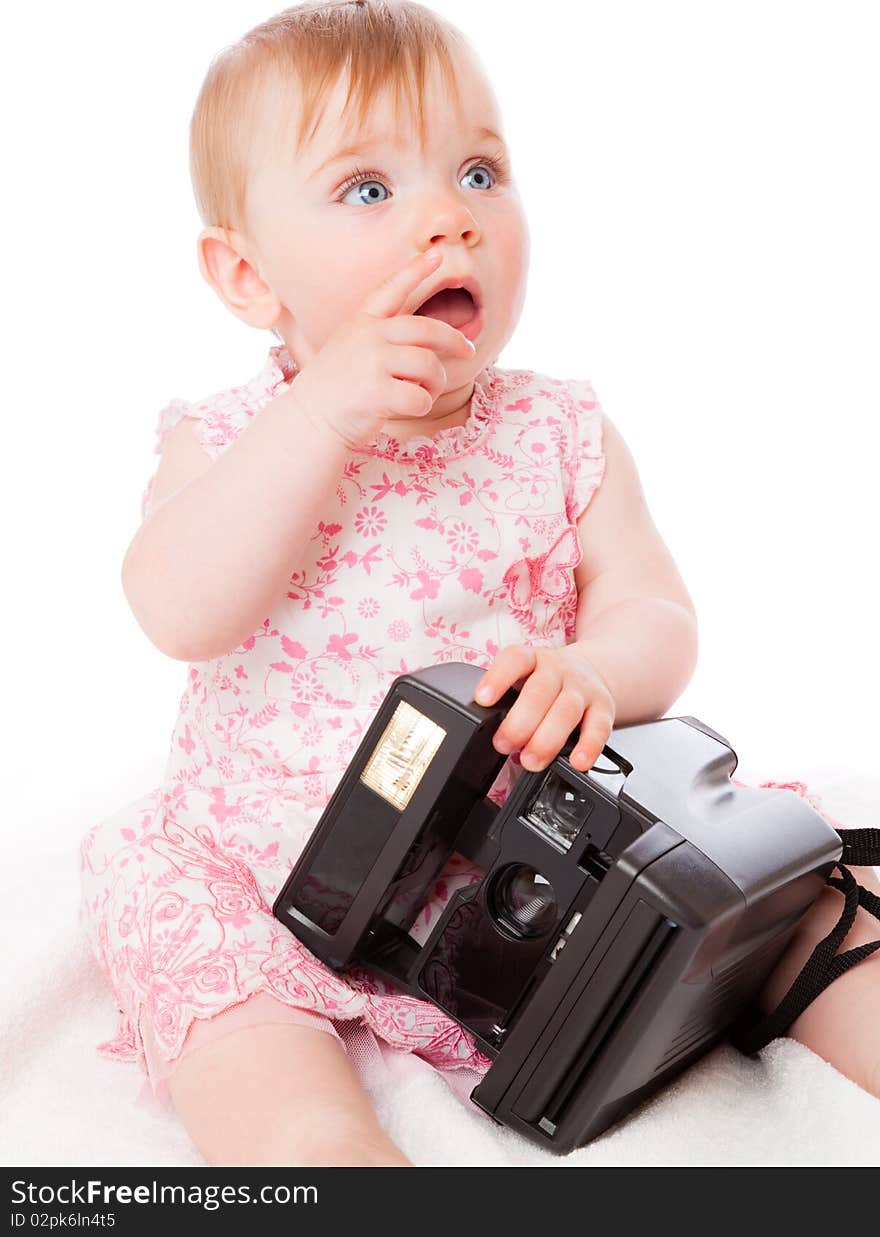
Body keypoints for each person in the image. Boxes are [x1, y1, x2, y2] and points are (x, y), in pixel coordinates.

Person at [78, 0, 880, 1167]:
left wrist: (592, 669)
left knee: (791, 904)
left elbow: (654, 611)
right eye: (367, 190)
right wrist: (320, 415)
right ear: (248, 276)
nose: (449, 219)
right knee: (250, 1051)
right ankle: (326, 1154)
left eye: (478, 171)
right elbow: (175, 607)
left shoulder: (558, 429)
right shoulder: (233, 437)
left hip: (531, 856)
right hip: (266, 870)